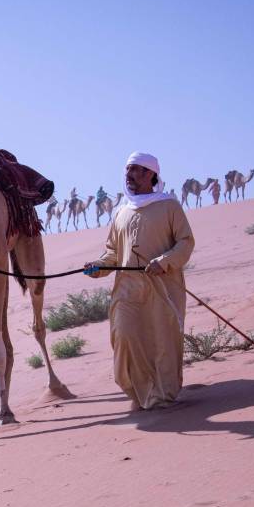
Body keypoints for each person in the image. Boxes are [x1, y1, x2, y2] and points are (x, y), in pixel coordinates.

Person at [84, 152, 195, 411]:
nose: (129, 175)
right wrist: (98, 266)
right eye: (127, 170)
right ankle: (138, 391)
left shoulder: (169, 205)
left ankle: (162, 395)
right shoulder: (122, 212)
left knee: (162, 339)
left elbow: (185, 242)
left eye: (135, 170)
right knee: (124, 337)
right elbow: (113, 252)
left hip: (162, 287)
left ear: (150, 174)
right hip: (126, 289)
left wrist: (165, 261)